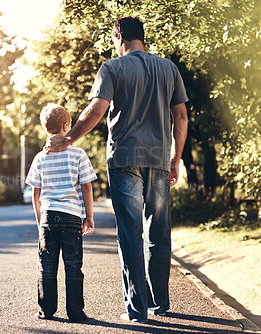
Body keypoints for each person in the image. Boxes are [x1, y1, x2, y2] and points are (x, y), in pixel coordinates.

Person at [45, 16, 189, 323]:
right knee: (159, 232)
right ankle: (160, 304)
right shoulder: (169, 68)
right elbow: (182, 117)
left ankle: (138, 311)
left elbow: (97, 109)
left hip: (125, 159)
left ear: (117, 36)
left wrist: (67, 139)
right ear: (142, 36)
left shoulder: (113, 68)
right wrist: (175, 158)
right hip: (160, 159)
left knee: (130, 234)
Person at [26, 103, 97, 322]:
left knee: (47, 266)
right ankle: (75, 312)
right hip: (72, 217)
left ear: (46, 130)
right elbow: (86, 186)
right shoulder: (78, 154)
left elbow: (35, 194)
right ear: (67, 126)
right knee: (73, 265)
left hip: (48, 217)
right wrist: (89, 216)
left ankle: (46, 310)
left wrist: (40, 221)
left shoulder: (40, 158)